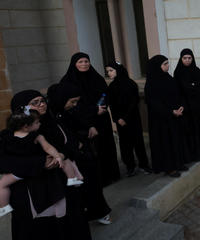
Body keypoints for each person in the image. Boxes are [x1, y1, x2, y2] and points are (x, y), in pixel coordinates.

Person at [10, 89, 93, 239]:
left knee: (71, 223)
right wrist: (41, 163)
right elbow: (8, 162)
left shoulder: (54, 122)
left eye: (42, 101)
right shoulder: (12, 134)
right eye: (35, 103)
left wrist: (62, 154)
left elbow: (74, 143)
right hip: (35, 189)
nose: (41, 105)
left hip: (63, 181)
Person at [48, 82, 113, 226]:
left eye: (76, 101)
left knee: (92, 184)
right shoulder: (51, 115)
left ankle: (98, 212)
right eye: (72, 101)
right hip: (68, 159)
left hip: (82, 154)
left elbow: (79, 121)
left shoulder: (69, 110)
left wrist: (88, 127)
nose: (74, 104)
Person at [0, 110, 84, 215]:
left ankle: (4, 206)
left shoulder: (8, 136)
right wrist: (57, 156)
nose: (40, 123)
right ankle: (72, 179)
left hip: (19, 170)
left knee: (2, 185)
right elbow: (48, 147)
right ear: (26, 126)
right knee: (65, 161)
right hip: (37, 165)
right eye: (37, 122)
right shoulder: (37, 136)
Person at [60, 52, 120, 187]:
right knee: (93, 151)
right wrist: (94, 110)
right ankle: (99, 179)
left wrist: (103, 106)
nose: (84, 64)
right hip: (84, 121)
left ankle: (111, 174)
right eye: (80, 62)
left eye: (86, 61)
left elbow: (106, 93)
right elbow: (71, 106)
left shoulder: (96, 77)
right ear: (74, 64)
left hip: (102, 118)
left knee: (106, 146)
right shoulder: (68, 81)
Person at [105, 61, 151, 176]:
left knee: (138, 142)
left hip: (132, 118)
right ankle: (130, 166)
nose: (109, 73)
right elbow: (112, 105)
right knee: (125, 144)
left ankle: (144, 165)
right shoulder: (112, 86)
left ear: (118, 70)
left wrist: (125, 117)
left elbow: (134, 102)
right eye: (108, 71)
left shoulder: (130, 84)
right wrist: (117, 118)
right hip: (120, 121)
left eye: (111, 70)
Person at [145, 55, 186, 177]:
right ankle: (168, 167)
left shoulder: (168, 78)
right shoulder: (151, 83)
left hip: (174, 117)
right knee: (165, 143)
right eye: (165, 64)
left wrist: (180, 106)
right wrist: (170, 112)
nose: (168, 66)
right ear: (157, 66)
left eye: (168, 63)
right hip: (161, 120)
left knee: (175, 140)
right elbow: (154, 104)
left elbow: (177, 93)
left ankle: (178, 163)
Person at [173, 49, 200, 162]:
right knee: (191, 127)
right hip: (186, 104)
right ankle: (195, 152)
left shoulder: (195, 69)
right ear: (181, 59)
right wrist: (194, 85)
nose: (187, 60)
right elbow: (183, 88)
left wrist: (193, 84)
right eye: (185, 58)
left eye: (189, 58)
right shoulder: (178, 71)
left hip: (197, 103)